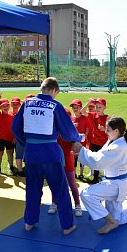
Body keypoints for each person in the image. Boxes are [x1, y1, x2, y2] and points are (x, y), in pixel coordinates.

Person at [11, 77, 83, 235]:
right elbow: (67, 130)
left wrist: (28, 141)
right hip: (50, 152)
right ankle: (67, 226)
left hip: (31, 152)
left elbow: (15, 128)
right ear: (53, 90)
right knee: (60, 189)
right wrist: (77, 139)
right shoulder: (55, 105)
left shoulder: (27, 104)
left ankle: (29, 222)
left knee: (32, 188)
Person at [72, 117, 127, 234]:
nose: (106, 132)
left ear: (116, 131)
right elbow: (100, 155)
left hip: (115, 185)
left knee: (86, 194)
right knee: (118, 217)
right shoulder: (115, 141)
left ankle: (110, 222)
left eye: (108, 129)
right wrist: (82, 153)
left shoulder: (118, 146)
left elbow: (98, 161)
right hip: (115, 182)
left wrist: (82, 150)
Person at [48, 108, 83, 217]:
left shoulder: (70, 133)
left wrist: (75, 140)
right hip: (56, 161)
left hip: (68, 161)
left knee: (72, 184)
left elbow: (77, 142)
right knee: (55, 183)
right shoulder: (53, 130)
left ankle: (77, 205)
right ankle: (54, 203)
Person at [81, 98, 109, 183]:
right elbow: (82, 112)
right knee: (95, 160)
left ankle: (107, 177)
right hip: (94, 142)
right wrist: (89, 102)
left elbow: (111, 130)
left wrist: (104, 129)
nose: (98, 109)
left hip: (104, 143)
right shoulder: (93, 115)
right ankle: (96, 178)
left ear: (104, 108)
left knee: (104, 161)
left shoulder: (107, 118)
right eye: (96, 107)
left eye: (100, 107)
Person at [0, 94, 15, 175]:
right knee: (0, 153)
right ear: (0, 107)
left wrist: (14, 137)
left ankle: (11, 166)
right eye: (3, 106)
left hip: (9, 138)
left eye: (7, 105)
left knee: (9, 153)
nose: (5, 107)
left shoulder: (12, 114)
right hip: (0, 138)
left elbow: (14, 127)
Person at [69, 99, 89, 180]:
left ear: (81, 107)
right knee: (74, 158)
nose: (75, 109)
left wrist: (85, 137)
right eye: (74, 107)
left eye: (77, 107)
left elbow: (87, 128)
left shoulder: (84, 118)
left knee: (82, 158)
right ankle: (74, 173)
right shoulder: (71, 118)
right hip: (74, 142)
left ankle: (81, 173)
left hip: (82, 142)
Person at [10, 96, 26, 177]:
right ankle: (21, 170)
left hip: (21, 137)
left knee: (21, 154)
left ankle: (22, 170)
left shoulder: (20, 113)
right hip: (23, 137)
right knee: (21, 154)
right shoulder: (22, 114)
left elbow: (14, 128)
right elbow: (15, 128)